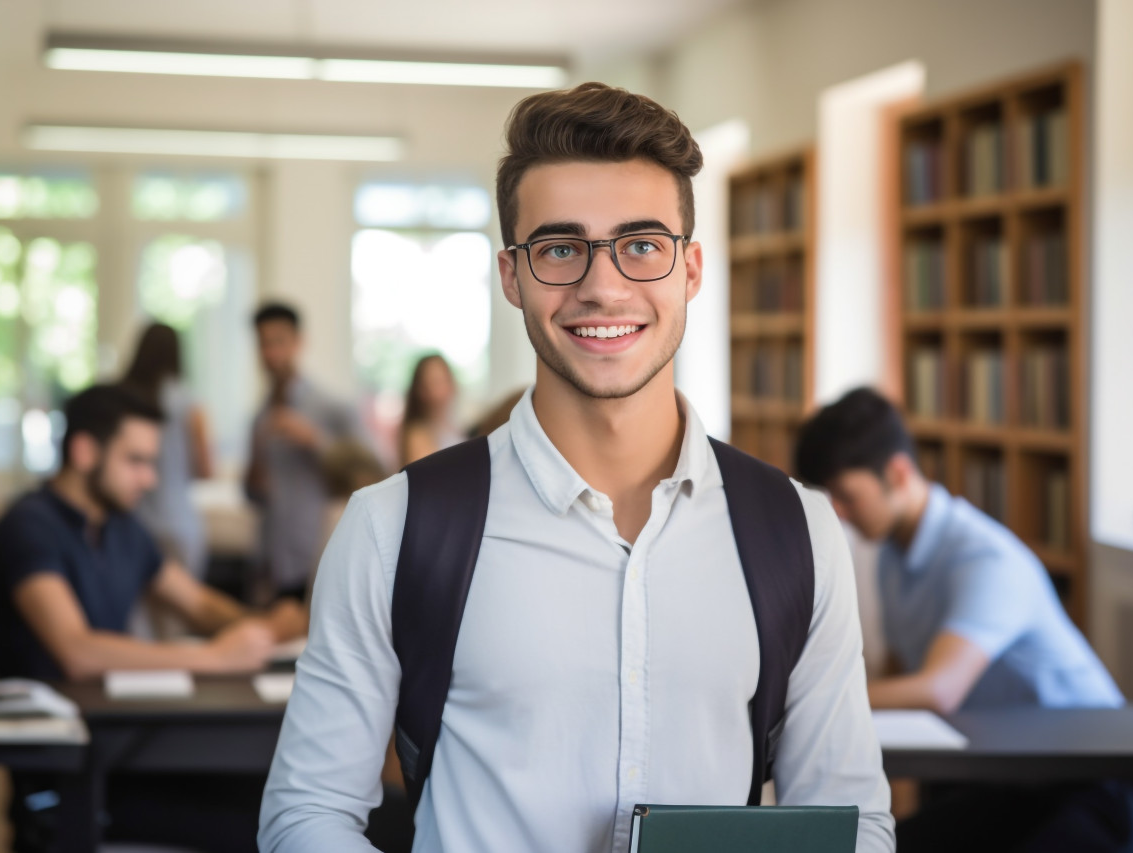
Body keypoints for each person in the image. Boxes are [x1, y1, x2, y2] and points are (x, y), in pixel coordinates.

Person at [260, 83, 894, 853]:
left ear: (690, 269)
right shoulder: (394, 524)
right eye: (561, 248)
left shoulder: (796, 528)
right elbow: (308, 814)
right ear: (512, 276)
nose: (602, 285)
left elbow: (853, 821)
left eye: (642, 244)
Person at [795, 387, 1133, 852]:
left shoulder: (984, 559)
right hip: (1004, 779)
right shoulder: (891, 555)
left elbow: (938, 688)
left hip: (1090, 783)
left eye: (846, 495)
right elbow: (901, 672)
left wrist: (810, 698)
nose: (837, 511)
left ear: (896, 473)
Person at [0, 383, 307, 853]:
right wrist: (217, 658)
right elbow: (77, 651)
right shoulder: (28, 527)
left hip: (124, 752)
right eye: (135, 461)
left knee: (277, 796)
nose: (150, 479)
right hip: (71, 781)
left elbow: (197, 606)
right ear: (83, 451)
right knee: (268, 823)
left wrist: (265, 625)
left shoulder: (120, 526)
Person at [244, 302, 368, 600]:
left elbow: (372, 470)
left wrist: (315, 439)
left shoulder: (332, 407)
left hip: (320, 554)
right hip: (271, 559)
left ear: (299, 342)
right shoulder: (260, 416)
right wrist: (253, 478)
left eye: (279, 342)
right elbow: (252, 494)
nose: (272, 354)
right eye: (263, 344)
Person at [122, 321, 212, 579]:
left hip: (132, 523)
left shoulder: (124, 399)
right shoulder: (189, 402)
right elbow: (206, 469)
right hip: (178, 522)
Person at [398, 353, 462, 466]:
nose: (443, 389)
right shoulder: (416, 436)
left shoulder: (452, 427)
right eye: (434, 382)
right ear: (419, 390)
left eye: (444, 380)